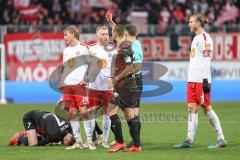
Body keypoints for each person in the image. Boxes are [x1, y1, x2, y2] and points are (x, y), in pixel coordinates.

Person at [173, 14, 227, 149]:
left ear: (198, 23)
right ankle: (189, 140)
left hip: (201, 81)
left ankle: (221, 138)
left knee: (206, 108)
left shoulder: (205, 38)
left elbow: (206, 60)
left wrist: (204, 81)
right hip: (191, 80)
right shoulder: (196, 38)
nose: (189, 24)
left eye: (191, 22)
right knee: (191, 108)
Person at [106, 11, 143, 151]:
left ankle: (121, 142)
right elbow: (119, 31)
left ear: (115, 35)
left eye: (112, 34)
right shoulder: (123, 45)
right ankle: (136, 145)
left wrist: (115, 78)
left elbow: (129, 67)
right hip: (124, 85)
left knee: (112, 111)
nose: (111, 36)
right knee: (127, 114)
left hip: (125, 85)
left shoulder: (125, 48)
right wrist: (111, 23)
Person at [59, 25, 96, 150]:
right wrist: (61, 81)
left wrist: (87, 78)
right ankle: (78, 141)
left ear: (73, 34)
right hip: (67, 85)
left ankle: (90, 141)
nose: (64, 38)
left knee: (84, 112)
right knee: (72, 113)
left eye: (66, 35)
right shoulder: (66, 50)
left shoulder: (85, 48)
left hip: (79, 85)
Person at [87, 25, 117, 148]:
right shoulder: (90, 49)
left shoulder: (113, 50)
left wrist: (114, 79)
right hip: (93, 87)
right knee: (90, 114)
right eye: (102, 34)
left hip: (107, 88)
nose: (105, 36)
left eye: (107, 34)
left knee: (107, 114)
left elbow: (116, 67)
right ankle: (91, 141)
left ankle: (104, 141)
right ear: (97, 35)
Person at [8, 110, 74, 146]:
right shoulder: (55, 135)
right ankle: (18, 138)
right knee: (34, 144)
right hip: (31, 118)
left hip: (43, 116)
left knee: (46, 135)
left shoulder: (70, 126)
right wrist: (52, 142)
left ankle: (29, 134)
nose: (62, 142)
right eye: (64, 143)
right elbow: (42, 143)